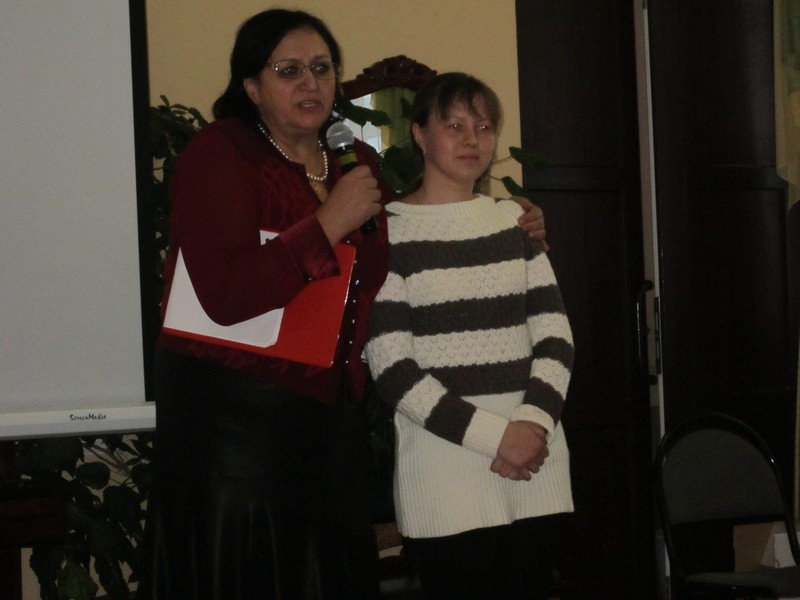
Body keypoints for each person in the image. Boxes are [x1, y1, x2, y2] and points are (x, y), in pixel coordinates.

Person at [140, 9, 548, 600]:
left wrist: (507, 223)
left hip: (327, 422)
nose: (311, 83)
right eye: (289, 70)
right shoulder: (221, 153)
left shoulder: (352, 157)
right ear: (251, 86)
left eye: (323, 68)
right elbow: (225, 295)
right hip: (236, 431)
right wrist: (326, 224)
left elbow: (391, 246)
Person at [364, 72, 575, 600]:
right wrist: (497, 438)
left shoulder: (515, 223)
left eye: (483, 127)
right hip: (445, 479)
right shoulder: (387, 234)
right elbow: (393, 369)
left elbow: (556, 339)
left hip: (535, 470)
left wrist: (532, 424)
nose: (471, 139)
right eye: (454, 125)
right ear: (419, 134)